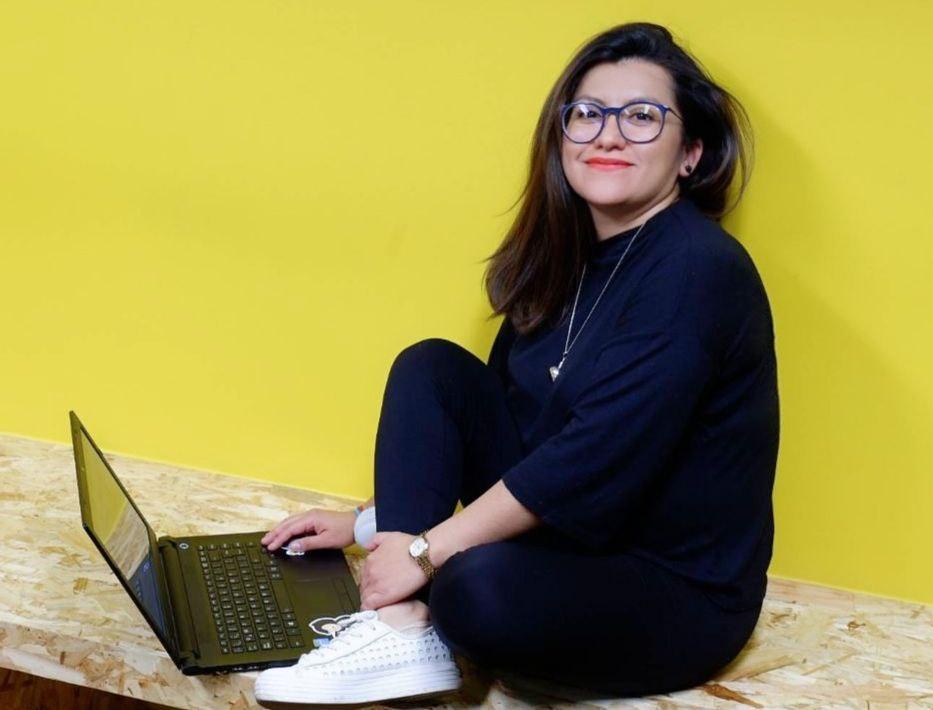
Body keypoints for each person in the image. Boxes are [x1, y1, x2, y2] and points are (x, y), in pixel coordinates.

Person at [254, 21, 778, 705]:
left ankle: (407, 616)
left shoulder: (695, 268)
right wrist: (371, 527)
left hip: (668, 589)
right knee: (433, 367)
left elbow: (588, 457)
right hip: (570, 539)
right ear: (560, 138)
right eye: (586, 115)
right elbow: (512, 425)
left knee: (478, 591)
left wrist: (421, 553)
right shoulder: (566, 260)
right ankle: (400, 628)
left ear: (691, 154)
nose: (608, 135)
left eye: (643, 117)